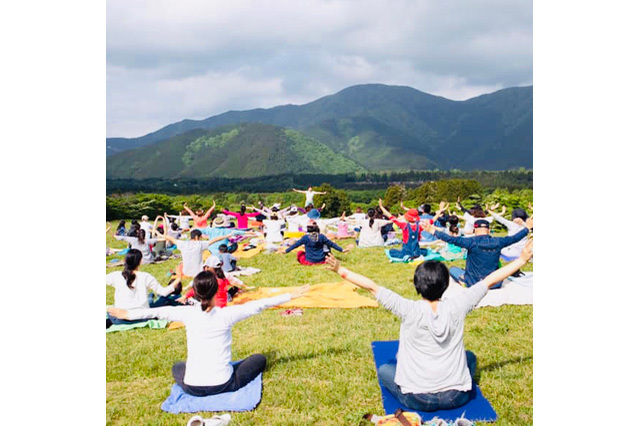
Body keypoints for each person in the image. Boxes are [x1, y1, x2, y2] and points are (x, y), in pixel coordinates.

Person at [324, 239, 533, 412]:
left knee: (385, 369)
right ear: (446, 285)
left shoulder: (408, 309)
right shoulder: (459, 305)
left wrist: (340, 269)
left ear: (417, 285)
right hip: (457, 397)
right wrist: (522, 259)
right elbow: (489, 280)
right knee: (470, 357)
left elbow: (371, 287)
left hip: (418, 399)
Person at [108, 273, 310, 397]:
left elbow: (155, 312)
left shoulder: (185, 313)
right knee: (259, 359)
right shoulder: (226, 314)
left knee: (178, 366)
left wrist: (128, 314)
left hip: (192, 387)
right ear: (216, 292)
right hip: (224, 384)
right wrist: (291, 295)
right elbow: (259, 304)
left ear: (194, 292)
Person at [423, 216, 533, 288]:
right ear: (489, 230)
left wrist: (432, 230)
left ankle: (463, 280)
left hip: (474, 283)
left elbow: (451, 239)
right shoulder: (499, 241)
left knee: (452, 269)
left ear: (475, 230)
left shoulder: (471, 242)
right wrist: (527, 228)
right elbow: (515, 238)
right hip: (495, 283)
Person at [106, 249, 182, 327]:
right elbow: (163, 292)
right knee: (157, 302)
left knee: (110, 311)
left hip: (120, 318)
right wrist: (178, 279)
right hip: (142, 316)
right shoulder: (146, 277)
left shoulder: (115, 276)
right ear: (140, 261)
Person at [161, 229, 232, 278]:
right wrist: (227, 236)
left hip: (185, 272)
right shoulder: (200, 244)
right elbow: (215, 239)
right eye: (200, 237)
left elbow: (171, 238)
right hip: (198, 272)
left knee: (181, 264)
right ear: (197, 237)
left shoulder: (182, 244)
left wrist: (163, 234)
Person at [280, 220, 351, 265]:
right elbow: (332, 244)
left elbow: (295, 245)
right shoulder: (322, 236)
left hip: (309, 261)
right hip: (321, 260)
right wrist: (342, 250)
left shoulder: (305, 238)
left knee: (300, 253)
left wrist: (286, 251)